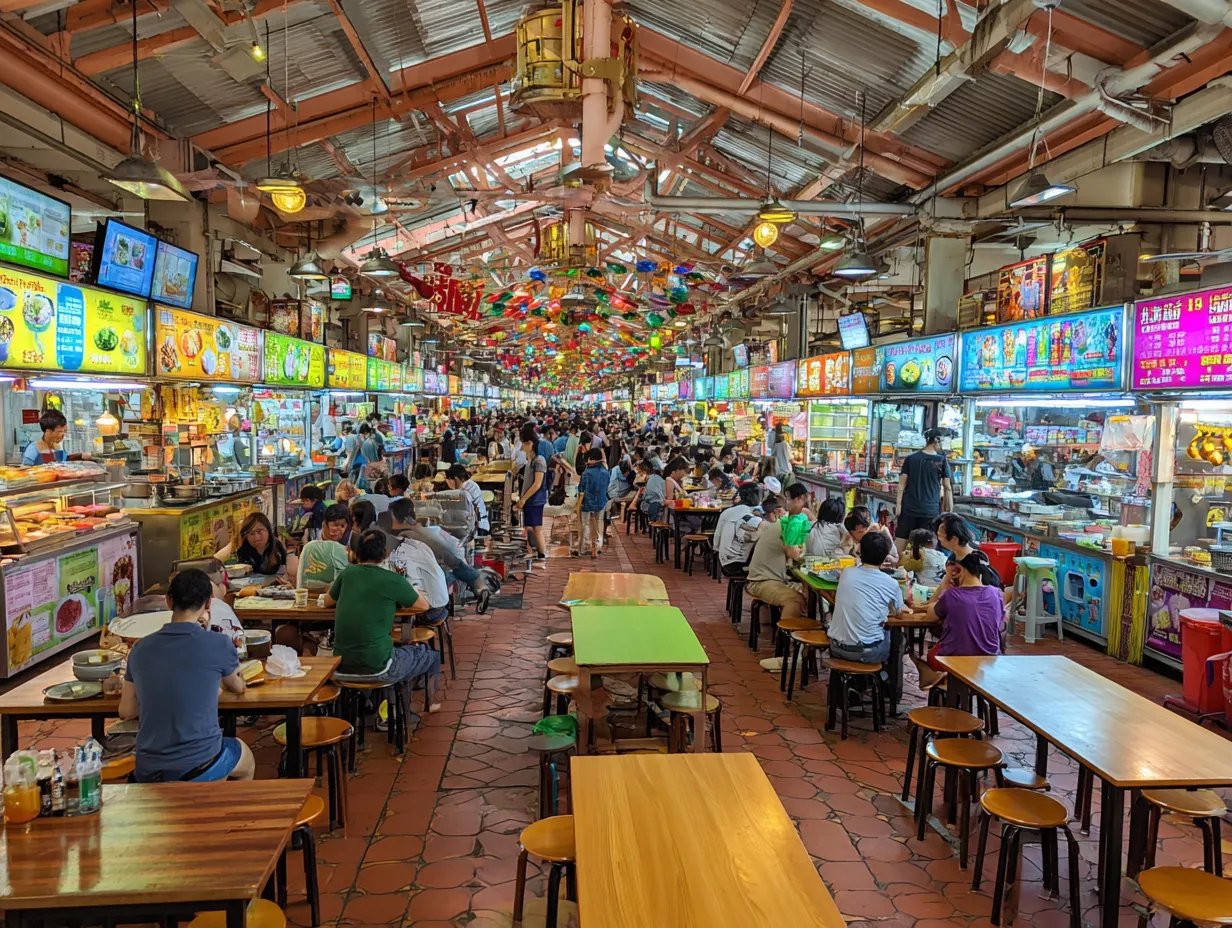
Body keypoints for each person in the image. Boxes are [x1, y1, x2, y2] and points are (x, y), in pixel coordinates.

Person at [119, 568, 256, 782]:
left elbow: (126, 711)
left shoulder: (139, 648)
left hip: (149, 769)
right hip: (201, 765)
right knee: (246, 759)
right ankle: (230, 812)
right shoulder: (218, 643)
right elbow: (238, 687)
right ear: (208, 604)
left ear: (168, 601)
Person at [326, 530, 439, 709]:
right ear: (386, 554)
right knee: (428, 654)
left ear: (354, 554)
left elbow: (327, 601)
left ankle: (370, 702)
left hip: (340, 667)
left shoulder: (347, 574)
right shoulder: (393, 579)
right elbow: (423, 606)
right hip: (380, 667)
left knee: (384, 650)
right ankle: (412, 708)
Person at [385, 498, 500, 613]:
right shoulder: (422, 531)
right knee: (456, 569)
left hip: (429, 581)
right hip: (445, 569)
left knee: (447, 572)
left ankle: (477, 585)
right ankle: (480, 587)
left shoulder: (404, 536)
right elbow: (446, 554)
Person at [914, 550, 1005, 686]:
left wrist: (944, 585)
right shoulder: (996, 593)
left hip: (952, 658)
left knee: (925, 656)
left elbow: (930, 618)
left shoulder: (952, 595)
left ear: (960, 569)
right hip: (990, 659)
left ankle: (942, 683)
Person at [746, 484, 810, 670]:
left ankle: (804, 649)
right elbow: (793, 553)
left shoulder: (789, 522)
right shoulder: (788, 526)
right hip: (761, 582)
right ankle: (784, 653)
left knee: (807, 599)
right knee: (795, 600)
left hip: (772, 578)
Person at [828, 532, 914, 665]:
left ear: (859, 550)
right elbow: (900, 613)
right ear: (885, 556)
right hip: (866, 652)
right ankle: (887, 682)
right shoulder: (891, 583)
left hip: (836, 647)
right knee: (896, 639)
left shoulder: (847, 573)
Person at [895, 427, 954, 557]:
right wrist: (949, 511)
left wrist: (898, 507)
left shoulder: (911, 459)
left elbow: (901, 485)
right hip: (930, 511)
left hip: (909, 508)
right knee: (927, 551)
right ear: (936, 441)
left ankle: (897, 571)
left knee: (900, 546)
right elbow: (947, 487)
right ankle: (922, 575)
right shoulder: (941, 461)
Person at [383, 513, 451, 624]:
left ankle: (403, 640)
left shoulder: (401, 554)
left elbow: (408, 591)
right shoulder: (412, 544)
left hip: (430, 611)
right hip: (440, 604)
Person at [217, 512, 294, 577]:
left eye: (260, 531)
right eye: (251, 533)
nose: (256, 538)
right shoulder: (243, 550)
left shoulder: (278, 547)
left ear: (268, 530)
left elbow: (286, 573)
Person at [715, 483, 764, 575]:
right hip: (739, 563)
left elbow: (717, 540)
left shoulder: (727, 511)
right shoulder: (752, 515)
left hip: (724, 561)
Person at [515, 423, 548, 559]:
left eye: (523, 443)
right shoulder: (531, 460)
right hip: (530, 499)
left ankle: (541, 554)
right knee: (531, 527)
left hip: (535, 499)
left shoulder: (539, 461)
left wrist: (523, 499)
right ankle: (536, 552)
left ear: (530, 443)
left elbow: (537, 484)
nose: (522, 446)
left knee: (536, 528)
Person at [22, 409, 92, 465]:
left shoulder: (56, 448)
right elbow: (25, 471)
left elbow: (65, 458)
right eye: (59, 431)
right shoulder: (32, 450)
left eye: (64, 431)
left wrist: (83, 455)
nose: (63, 435)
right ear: (48, 432)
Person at [578, 448, 609, 558]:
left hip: (587, 502)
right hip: (601, 501)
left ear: (592, 459)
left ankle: (585, 547)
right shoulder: (606, 472)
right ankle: (597, 546)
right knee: (599, 522)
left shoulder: (587, 473)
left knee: (585, 524)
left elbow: (581, 489)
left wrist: (578, 503)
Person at [444, 463, 489, 535]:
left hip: (479, 528)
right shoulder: (467, 486)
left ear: (456, 479)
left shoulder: (469, 488)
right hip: (472, 525)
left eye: (450, 479)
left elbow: (471, 511)